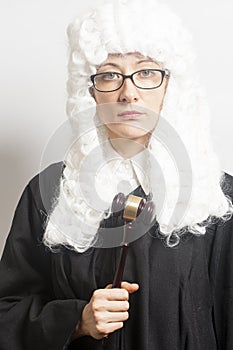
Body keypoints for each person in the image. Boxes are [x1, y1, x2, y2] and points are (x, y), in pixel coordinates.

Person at [0, 0, 233, 349]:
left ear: (170, 86)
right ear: (91, 91)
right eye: (109, 74)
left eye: (147, 72)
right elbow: (7, 312)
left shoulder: (217, 199)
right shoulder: (48, 193)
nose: (128, 92)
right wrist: (76, 321)